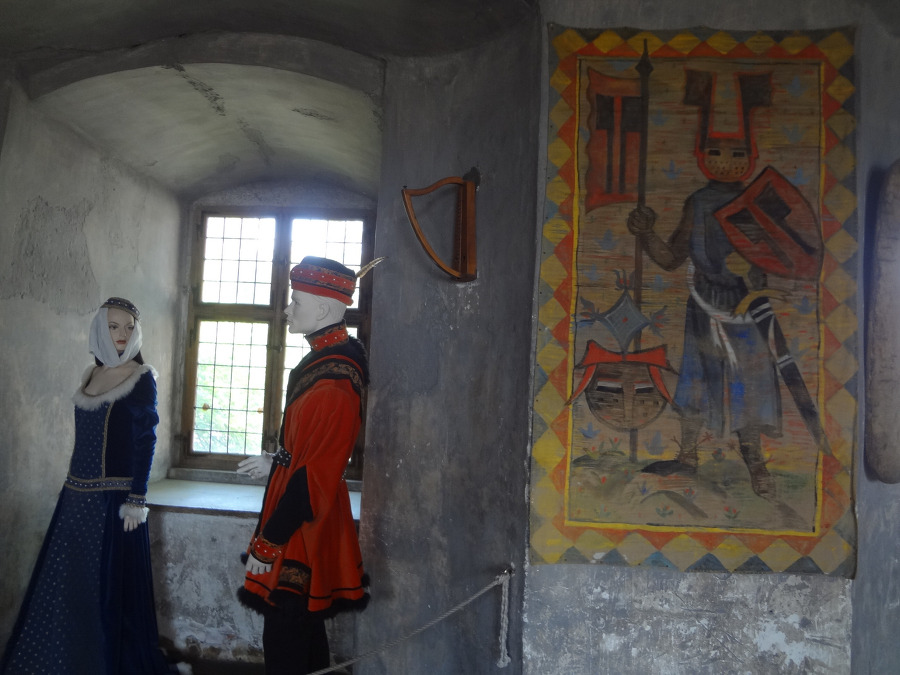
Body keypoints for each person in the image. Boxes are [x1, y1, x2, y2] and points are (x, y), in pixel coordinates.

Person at [1, 298, 184, 674]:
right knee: (69, 585)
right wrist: (71, 491)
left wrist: (137, 498)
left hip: (116, 503)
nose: (122, 334)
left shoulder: (141, 377)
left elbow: (146, 439)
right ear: (100, 329)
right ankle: (67, 661)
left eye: (129, 327)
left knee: (109, 589)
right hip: (76, 498)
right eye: (113, 326)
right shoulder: (90, 374)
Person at [237, 257, 370, 675]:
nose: (287, 309)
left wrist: (268, 543)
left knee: (287, 637)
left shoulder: (336, 382)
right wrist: (276, 460)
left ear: (325, 309)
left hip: (304, 521)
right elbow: (309, 450)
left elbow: (316, 476)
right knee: (302, 630)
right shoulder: (322, 362)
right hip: (300, 506)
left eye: (296, 302)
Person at [628, 136, 779, 498]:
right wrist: (646, 234)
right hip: (703, 302)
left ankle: (756, 463)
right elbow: (671, 258)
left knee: (749, 382)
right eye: (716, 152)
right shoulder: (697, 203)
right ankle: (687, 455)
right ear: (701, 156)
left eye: (737, 153)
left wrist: (753, 270)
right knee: (695, 377)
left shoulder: (755, 202)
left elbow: (770, 261)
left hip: (744, 307)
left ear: (751, 156)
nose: (726, 160)